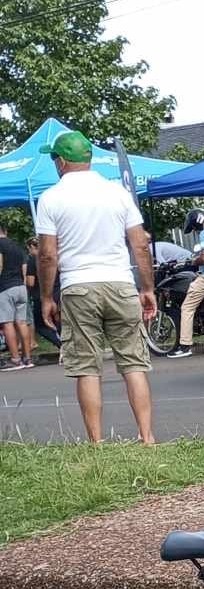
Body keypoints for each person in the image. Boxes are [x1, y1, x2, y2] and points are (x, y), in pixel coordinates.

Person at [33, 130, 156, 444]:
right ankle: (147, 437)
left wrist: (46, 296)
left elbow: (47, 254)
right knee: (133, 363)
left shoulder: (50, 198)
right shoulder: (117, 193)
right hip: (120, 282)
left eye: (54, 159)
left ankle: (97, 443)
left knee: (87, 366)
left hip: (78, 286)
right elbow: (140, 244)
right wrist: (147, 288)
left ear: (61, 162)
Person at [168, 207, 204, 357]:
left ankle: (185, 346)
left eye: (194, 228)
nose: (194, 231)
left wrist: (194, 261)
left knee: (187, 307)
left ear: (197, 223)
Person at [0, 220, 34, 370]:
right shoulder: (17, 245)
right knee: (22, 322)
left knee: (7, 323)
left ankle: (15, 360)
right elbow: (24, 267)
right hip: (20, 287)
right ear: (5, 230)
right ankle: (28, 358)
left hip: (5, 287)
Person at [25, 239, 58, 350]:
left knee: (40, 325)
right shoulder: (53, 257)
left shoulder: (32, 260)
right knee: (57, 322)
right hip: (56, 293)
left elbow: (30, 282)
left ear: (31, 247)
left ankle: (61, 344)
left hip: (40, 296)